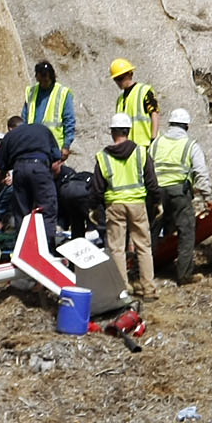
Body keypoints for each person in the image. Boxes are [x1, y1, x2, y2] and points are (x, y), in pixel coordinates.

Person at [93, 111, 154, 297]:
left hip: (114, 205)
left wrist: (94, 207)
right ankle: (149, 288)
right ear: (128, 130)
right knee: (143, 246)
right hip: (137, 203)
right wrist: (157, 201)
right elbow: (152, 181)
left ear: (113, 132)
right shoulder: (141, 152)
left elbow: (97, 186)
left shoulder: (103, 156)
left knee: (117, 249)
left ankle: (122, 289)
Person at [148, 109, 212, 285]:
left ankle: (147, 272)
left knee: (152, 232)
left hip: (157, 193)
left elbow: (147, 167)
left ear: (170, 124)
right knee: (186, 232)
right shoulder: (190, 145)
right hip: (179, 193)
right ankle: (184, 274)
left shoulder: (157, 142)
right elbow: (201, 172)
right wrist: (207, 195)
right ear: (186, 126)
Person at [0, 111, 65, 250]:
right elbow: (57, 155)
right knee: (47, 210)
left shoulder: (10, 136)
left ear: (11, 127)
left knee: (22, 213)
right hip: (40, 168)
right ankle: (47, 250)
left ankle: (25, 251)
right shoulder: (42, 129)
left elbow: (2, 165)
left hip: (19, 170)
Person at [21, 60, 76, 153]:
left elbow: (69, 121)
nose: (42, 83)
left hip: (53, 146)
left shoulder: (62, 93)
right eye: (40, 81)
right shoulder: (31, 92)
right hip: (32, 144)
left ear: (51, 77)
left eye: (45, 80)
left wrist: (66, 145)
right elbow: (24, 117)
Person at [110, 58, 158, 148]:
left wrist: (154, 138)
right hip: (126, 147)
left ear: (130, 74)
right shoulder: (120, 99)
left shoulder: (144, 91)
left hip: (144, 144)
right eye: (116, 79)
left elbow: (154, 113)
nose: (118, 82)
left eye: (121, 78)